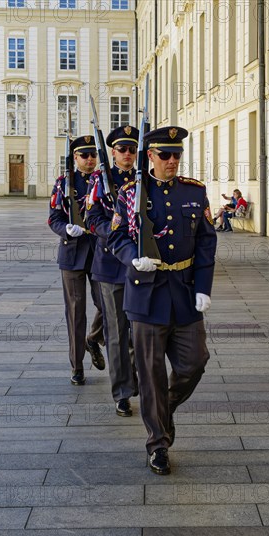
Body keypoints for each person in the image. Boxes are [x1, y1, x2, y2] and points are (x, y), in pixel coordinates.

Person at [107, 126, 217, 474]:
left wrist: (203, 286)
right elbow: (116, 235)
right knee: (151, 374)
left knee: (195, 362)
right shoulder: (130, 192)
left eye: (177, 155)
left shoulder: (195, 192)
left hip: (183, 290)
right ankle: (158, 444)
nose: (172, 161)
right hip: (146, 294)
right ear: (150, 155)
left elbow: (206, 242)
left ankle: (161, 409)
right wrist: (130, 257)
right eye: (165, 155)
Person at [86, 126, 139, 417]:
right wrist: (114, 231)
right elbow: (91, 217)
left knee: (139, 331)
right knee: (117, 332)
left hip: (140, 265)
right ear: (113, 153)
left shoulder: (145, 178)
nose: (128, 155)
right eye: (122, 150)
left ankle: (137, 379)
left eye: (132, 149)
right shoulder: (100, 179)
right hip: (109, 266)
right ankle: (121, 391)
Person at [48, 135, 105, 385]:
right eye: (85, 155)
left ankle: (93, 338)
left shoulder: (105, 182)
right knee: (75, 312)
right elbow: (53, 218)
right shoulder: (63, 183)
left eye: (93, 155)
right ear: (75, 158)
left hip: (100, 253)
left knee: (107, 306)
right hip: (72, 254)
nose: (90, 159)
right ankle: (77, 365)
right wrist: (66, 229)